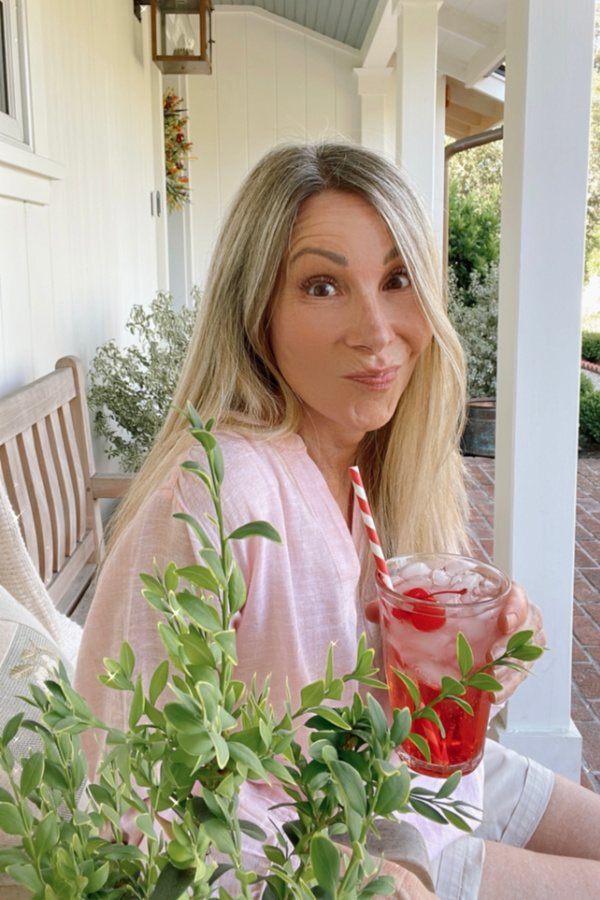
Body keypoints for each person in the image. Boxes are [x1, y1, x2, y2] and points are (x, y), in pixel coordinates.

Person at [75, 142, 600, 900]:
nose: (376, 331)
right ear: (256, 311)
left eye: (397, 280)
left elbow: (345, 703)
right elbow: (132, 797)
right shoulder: (216, 497)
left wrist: (474, 663)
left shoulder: (373, 463)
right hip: (332, 848)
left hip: (420, 783)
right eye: (323, 286)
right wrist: (346, 879)